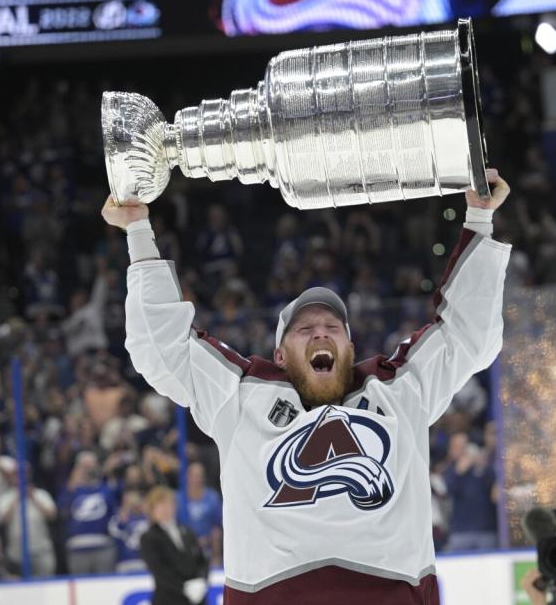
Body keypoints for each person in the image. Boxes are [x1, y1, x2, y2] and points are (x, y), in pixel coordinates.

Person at [103, 168, 511, 604]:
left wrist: (480, 218)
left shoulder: (398, 391)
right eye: (304, 329)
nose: (320, 333)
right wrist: (138, 229)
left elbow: (467, 335)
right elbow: (163, 349)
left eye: (332, 326)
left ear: (349, 348)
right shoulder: (242, 396)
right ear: (280, 356)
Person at [140, 486, 209, 605]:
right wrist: (184, 588)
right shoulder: (149, 538)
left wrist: (202, 581)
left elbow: (202, 560)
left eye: (169, 504)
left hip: (197, 599)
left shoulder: (187, 532)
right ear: (152, 510)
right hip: (168, 599)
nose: (165, 508)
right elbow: (159, 570)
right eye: (160, 504)